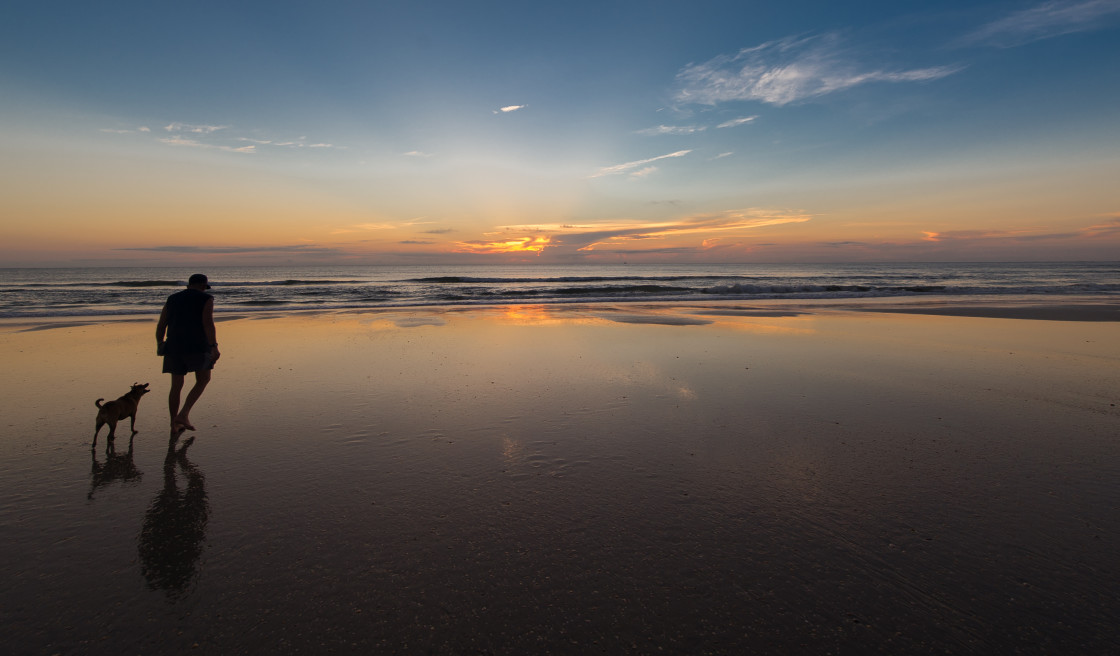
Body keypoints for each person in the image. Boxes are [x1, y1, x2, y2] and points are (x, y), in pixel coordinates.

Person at [156, 274, 220, 433]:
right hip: (197, 345)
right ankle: (183, 414)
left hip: (174, 345)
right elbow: (208, 324)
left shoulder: (172, 299)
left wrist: (160, 343)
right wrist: (214, 346)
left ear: (188, 285)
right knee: (204, 378)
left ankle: (174, 424)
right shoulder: (206, 298)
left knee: (176, 385)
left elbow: (162, 324)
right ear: (203, 285)